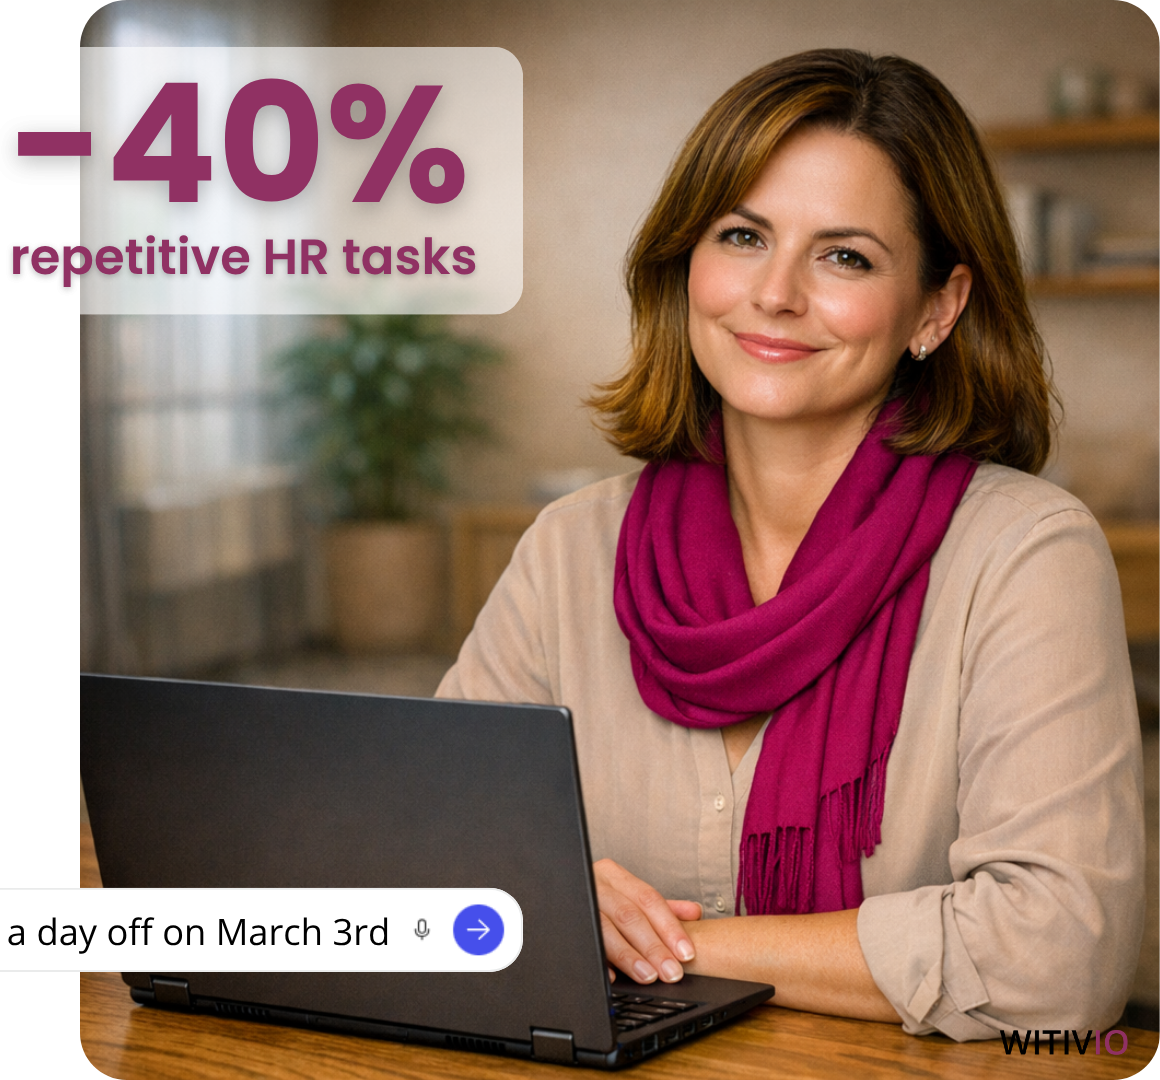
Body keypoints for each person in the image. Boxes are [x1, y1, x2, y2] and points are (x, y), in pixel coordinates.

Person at [436, 49, 1143, 1041]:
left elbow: (1058, 958)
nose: (773, 294)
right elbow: (429, 845)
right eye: (741, 236)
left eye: (842, 256)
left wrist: (644, 942)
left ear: (935, 308)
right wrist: (531, 889)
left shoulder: (1024, 555)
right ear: (685, 264)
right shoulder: (570, 547)